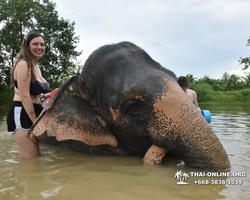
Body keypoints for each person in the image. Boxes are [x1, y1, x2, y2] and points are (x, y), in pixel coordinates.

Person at [7, 31, 51, 159]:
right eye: (35, 44)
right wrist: (36, 123)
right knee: (30, 162)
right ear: (27, 46)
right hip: (22, 113)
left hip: (35, 112)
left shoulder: (36, 66)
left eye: (42, 44)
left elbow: (33, 92)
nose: (39, 47)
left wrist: (44, 95)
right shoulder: (24, 64)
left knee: (37, 159)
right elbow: (25, 96)